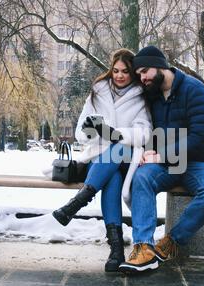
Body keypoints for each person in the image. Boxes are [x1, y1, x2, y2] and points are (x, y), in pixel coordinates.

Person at [118, 46, 204, 274]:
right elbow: (144, 126)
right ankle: (144, 248)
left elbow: (200, 137)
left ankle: (172, 242)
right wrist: (146, 151)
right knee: (142, 177)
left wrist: (161, 154)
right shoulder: (151, 93)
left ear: (161, 66)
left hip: (198, 161)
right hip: (166, 163)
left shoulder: (195, 90)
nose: (142, 78)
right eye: (138, 74)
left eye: (145, 71)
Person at [51, 48, 152, 272]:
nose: (119, 75)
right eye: (115, 70)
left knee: (118, 153)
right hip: (99, 161)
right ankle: (116, 249)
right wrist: (94, 131)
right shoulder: (97, 92)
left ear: (132, 72)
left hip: (127, 158)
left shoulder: (141, 95)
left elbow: (145, 132)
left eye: (125, 71)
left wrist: (116, 135)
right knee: (111, 177)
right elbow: (79, 132)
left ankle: (78, 202)